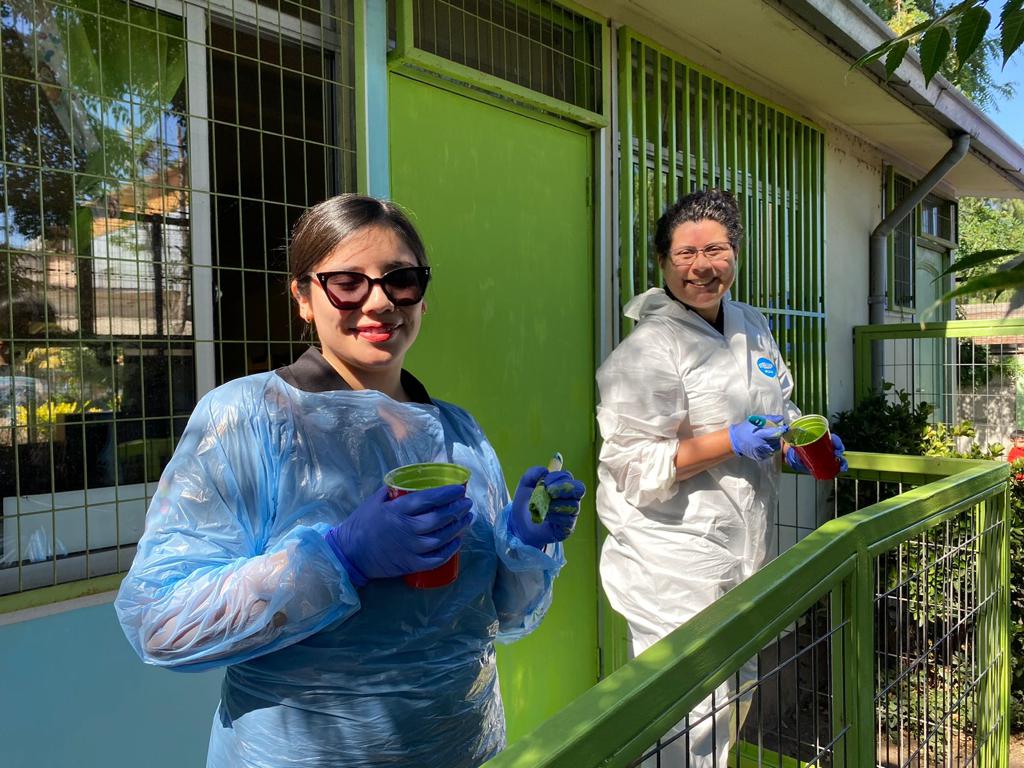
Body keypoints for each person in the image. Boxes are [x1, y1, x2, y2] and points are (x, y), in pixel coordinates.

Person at [114, 194, 586, 768]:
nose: (380, 302)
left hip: (464, 750)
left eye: (401, 280)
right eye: (347, 282)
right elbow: (161, 622)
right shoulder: (248, 418)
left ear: (422, 295)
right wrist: (340, 557)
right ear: (303, 297)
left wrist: (526, 546)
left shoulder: (456, 432)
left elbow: (503, 619)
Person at [595, 189, 846, 767]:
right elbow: (632, 467)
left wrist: (796, 448)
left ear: (735, 254)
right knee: (686, 720)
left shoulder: (750, 326)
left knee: (736, 693)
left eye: (716, 250)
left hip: (742, 549)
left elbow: (777, 412)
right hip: (672, 561)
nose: (702, 267)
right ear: (662, 262)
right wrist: (728, 441)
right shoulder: (647, 350)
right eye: (685, 254)